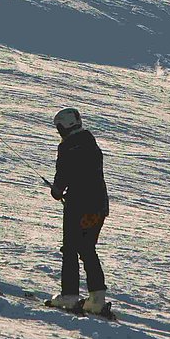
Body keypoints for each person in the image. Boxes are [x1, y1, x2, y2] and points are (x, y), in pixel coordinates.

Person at [46, 107, 112, 316]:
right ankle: (97, 299)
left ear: (64, 126)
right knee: (87, 248)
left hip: (78, 207)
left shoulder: (68, 147)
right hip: (99, 207)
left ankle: (70, 295)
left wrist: (56, 191)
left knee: (71, 248)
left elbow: (63, 174)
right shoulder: (91, 143)